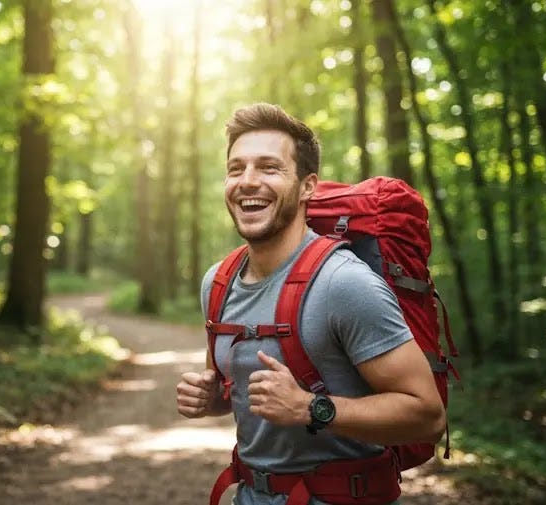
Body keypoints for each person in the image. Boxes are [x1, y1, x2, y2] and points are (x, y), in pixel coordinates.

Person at [175, 102, 445, 505]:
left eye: (269, 168)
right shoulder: (217, 283)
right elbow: (249, 397)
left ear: (307, 187)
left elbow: (427, 416)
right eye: (236, 168)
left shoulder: (344, 284)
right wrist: (213, 399)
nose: (247, 181)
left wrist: (311, 408)